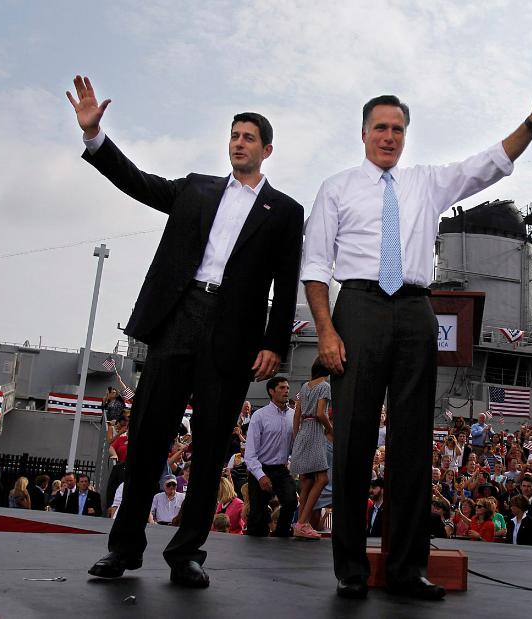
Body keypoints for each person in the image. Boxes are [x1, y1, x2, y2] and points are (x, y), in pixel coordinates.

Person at [302, 68, 532, 601]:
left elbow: (489, 164)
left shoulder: (426, 181)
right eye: (380, 128)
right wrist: (327, 331)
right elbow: (314, 268)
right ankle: (351, 570)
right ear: (363, 133)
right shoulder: (335, 189)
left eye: (398, 129)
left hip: (414, 307)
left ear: (406, 135)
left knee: (412, 445)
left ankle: (406, 569)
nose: (389, 137)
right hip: (357, 306)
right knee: (353, 441)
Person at [70, 75, 304, 589]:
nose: (238, 143)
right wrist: (95, 138)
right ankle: (123, 548)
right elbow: (139, 182)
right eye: (233, 135)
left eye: (248, 137)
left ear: (267, 149)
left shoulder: (285, 211)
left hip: (234, 334)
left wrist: (274, 344)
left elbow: (286, 285)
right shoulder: (197, 187)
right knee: (149, 437)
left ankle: (187, 553)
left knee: (213, 444)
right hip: (179, 317)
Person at [243, 377, 297, 538]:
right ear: (271, 391)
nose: (286, 390)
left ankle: (281, 535)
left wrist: (291, 464)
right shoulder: (259, 416)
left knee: (291, 502)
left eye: (287, 387)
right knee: (257, 516)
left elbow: (295, 444)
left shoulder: (293, 415)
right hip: (260, 467)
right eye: (281, 388)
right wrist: (261, 476)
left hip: (281, 469)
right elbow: (250, 453)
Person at [290, 358, 333, 539]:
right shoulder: (325, 386)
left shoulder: (304, 387)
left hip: (303, 432)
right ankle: (301, 523)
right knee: (322, 479)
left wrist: (296, 437)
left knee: (307, 480)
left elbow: (296, 416)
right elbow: (320, 413)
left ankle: (301, 523)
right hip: (316, 430)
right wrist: (331, 430)